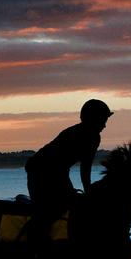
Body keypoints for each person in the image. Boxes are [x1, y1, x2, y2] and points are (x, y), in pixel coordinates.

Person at [24, 99, 113, 247]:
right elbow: (61, 168)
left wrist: (88, 192)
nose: (104, 125)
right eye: (103, 120)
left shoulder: (94, 137)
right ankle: (35, 246)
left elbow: (85, 167)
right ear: (92, 119)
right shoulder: (73, 134)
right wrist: (85, 191)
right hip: (39, 170)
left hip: (59, 173)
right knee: (50, 210)